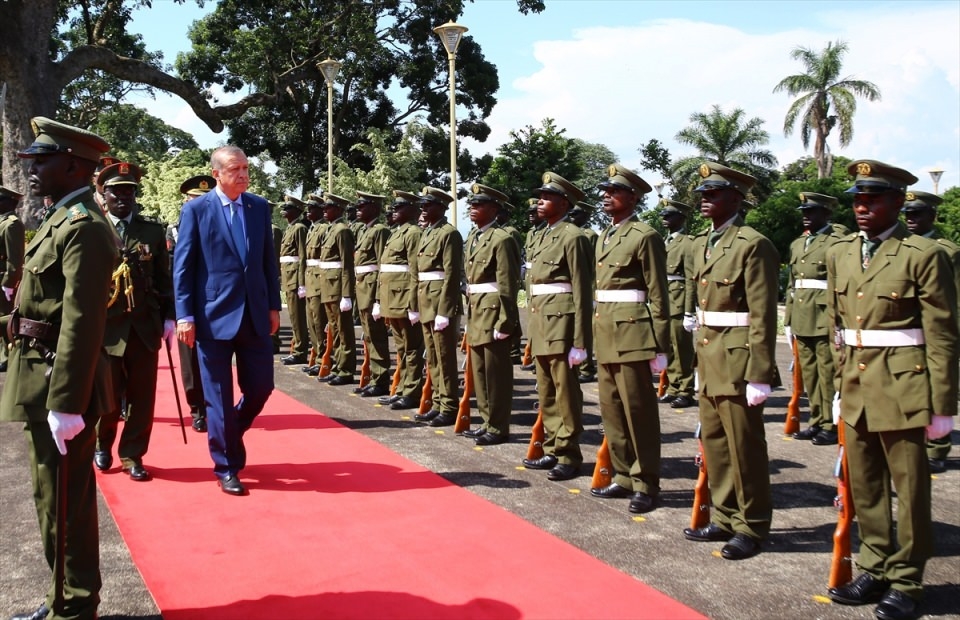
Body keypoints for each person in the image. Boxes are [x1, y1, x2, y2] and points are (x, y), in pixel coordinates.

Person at [825, 161, 958, 619]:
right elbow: (835, 324)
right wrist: (840, 380)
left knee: (911, 488)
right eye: (858, 199)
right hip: (858, 384)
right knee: (866, 485)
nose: (862, 207)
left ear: (899, 202)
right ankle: (875, 565)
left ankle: (907, 580)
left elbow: (942, 333)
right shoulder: (842, 252)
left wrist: (943, 404)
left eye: (873, 198)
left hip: (904, 385)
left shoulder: (922, 254)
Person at [2, 117, 116, 620]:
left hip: (56, 381)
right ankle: (60, 599)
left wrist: (68, 401)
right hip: (36, 373)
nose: (31, 168)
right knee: (50, 500)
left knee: (65, 503)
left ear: (72, 165)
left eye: (41, 160)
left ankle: (74, 606)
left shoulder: (85, 228)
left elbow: (81, 320)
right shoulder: (56, 218)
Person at [681, 162, 778, 561]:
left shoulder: (752, 244)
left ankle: (751, 526)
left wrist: (760, 372)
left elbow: (762, 314)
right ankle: (723, 514)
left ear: (736, 199)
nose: (704, 199)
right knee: (716, 442)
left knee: (744, 447)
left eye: (713, 193)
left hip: (737, 359)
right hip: (710, 352)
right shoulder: (707, 242)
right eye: (703, 194)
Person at [173, 145, 281, 497]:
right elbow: (184, 267)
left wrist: (273, 307)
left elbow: (268, 262)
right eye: (236, 169)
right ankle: (227, 466)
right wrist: (184, 315)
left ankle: (230, 430)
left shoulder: (259, 207)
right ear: (217, 173)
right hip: (211, 317)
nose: (244, 175)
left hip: (254, 314)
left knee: (261, 387)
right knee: (217, 397)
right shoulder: (196, 210)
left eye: (247, 168)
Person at [588, 164, 670, 513]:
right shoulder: (604, 236)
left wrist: (661, 345)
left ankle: (646, 482)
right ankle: (623, 474)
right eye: (605, 191)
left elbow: (658, 294)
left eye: (614, 191)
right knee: (612, 410)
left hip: (634, 334)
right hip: (606, 332)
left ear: (633, 198)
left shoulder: (644, 236)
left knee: (639, 413)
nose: (606, 196)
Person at [94, 162, 174, 482]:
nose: (124, 198)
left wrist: (169, 317)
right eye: (117, 192)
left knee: (143, 396)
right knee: (108, 395)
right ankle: (103, 443)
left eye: (129, 191)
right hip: (107, 326)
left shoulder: (152, 232)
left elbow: (164, 279)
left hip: (143, 325)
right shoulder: (94, 229)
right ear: (104, 194)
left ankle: (132, 454)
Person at [521, 172, 592, 481]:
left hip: (562, 323)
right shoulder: (541, 235)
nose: (541, 201)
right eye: (540, 196)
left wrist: (581, 340)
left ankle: (569, 453)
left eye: (547, 197)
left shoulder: (572, 236)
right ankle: (552, 446)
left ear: (564, 203)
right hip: (540, 320)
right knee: (547, 390)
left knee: (565, 391)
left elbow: (582, 288)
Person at [900, 190, 960, 474]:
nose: (911, 219)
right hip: (906, 332)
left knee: (936, 386)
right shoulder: (899, 247)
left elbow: (954, 299)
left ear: (932, 216)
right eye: (908, 214)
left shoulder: (948, 251)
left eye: (918, 214)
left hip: (934, 331)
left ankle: (937, 448)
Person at [784, 192, 848, 446]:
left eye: (811, 212)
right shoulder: (798, 243)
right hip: (801, 312)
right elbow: (792, 283)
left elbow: (841, 281)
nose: (806, 217)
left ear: (827, 213)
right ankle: (816, 419)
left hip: (823, 313)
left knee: (827, 371)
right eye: (804, 212)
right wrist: (789, 318)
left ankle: (831, 424)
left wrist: (839, 319)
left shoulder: (837, 241)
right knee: (809, 372)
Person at [460, 183, 521, 445]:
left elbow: (508, 283)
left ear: (494, 209)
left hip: (494, 310)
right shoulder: (474, 237)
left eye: (479, 204)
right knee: (480, 371)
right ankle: (486, 421)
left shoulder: (502, 239)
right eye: (472, 204)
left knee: (496, 374)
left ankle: (498, 426)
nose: (473, 209)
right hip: (476, 308)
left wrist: (506, 320)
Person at [412, 186, 463, 427]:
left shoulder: (448, 234)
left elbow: (452, 275)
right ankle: (437, 402)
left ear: (441, 207)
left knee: (445, 358)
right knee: (431, 357)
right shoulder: (427, 233)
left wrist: (445, 310)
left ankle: (450, 406)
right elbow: (418, 273)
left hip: (440, 304)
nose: (423, 207)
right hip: (426, 301)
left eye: (428, 204)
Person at [169, 175, 216, 432]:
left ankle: (215, 406)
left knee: (214, 358)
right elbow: (171, 269)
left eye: (203, 199)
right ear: (186, 201)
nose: (198, 204)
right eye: (193, 199)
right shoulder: (173, 231)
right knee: (189, 360)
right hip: (186, 303)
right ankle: (197, 408)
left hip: (213, 302)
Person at [377, 190, 426, 410]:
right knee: (401, 347)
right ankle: (402, 387)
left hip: (405, 298)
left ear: (414, 210)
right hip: (392, 298)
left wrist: (414, 304)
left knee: (413, 347)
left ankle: (412, 391)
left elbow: (415, 271)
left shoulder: (413, 233)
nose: (394, 210)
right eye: (394, 207)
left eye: (400, 207)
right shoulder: (396, 232)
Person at [657, 198, 696, 409]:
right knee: (669, 347)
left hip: (679, 301)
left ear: (680, 218)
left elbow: (690, 279)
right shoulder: (665, 241)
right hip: (665, 299)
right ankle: (673, 387)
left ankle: (686, 390)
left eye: (669, 215)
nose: (664, 218)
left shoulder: (687, 243)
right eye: (664, 215)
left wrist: (690, 311)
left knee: (682, 349)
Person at [353, 191, 392, 397]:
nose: (358, 209)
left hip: (371, 290)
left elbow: (381, 266)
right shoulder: (364, 231)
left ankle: (381, 380)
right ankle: (375, 378)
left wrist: (378, 298)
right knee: (368, 336)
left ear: (374, 208)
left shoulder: (380, 231)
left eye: (363, 205)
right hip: (362, 288)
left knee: (376, 337)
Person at [316, 193, 357, 386]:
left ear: (338, 209)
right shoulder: (331, 230)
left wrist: (347, 295)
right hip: (328, 287)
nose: (324, 210)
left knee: (343, 330)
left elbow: (347, 265)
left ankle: (346, 369)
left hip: (338, 288)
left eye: (328, 207)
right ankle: (338, 366)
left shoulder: (341, 231)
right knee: (334, 329)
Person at [278, 195, 311, 366]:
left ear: (297, 211)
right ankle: (298, 348)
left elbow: (302, 257)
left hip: (295, 279)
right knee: (293, 316)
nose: (284, 210)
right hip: (288, 276)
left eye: (288, 207)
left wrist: (302, 283)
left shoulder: (299, 228)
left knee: (298, 317)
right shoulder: (290, 228)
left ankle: (300, 351)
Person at [569, 200, 598, 383]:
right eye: (571, 214)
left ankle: (587, 367)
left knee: (584, 329)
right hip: (570, 287)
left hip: (586, 285)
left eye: (577, 214)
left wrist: (593, 293)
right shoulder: (569, 234)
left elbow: (594, 267)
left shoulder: (590, 235)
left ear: (586, 216)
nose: (572, 217)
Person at [302, 194, 329, 376]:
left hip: (320, 280)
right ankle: (318, 355)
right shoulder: (312, 229)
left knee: (320, 321)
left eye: (312, 208)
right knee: (311, 321)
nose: (308, 212)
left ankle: (325, 359)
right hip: (310, 278)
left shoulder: (324, 229)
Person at [0, 185, 25, 373]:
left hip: (4, 279)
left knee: (4, 318)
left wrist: (9, 283)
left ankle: (8, 356)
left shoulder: (12, 224)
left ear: (10, 202)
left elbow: (14, 258)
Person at [519, 198, 545, 372]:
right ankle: (535, 356)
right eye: (529, 212)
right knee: (532, 321)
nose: (530, 215)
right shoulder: (531, 233)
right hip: (531, 282)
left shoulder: (546, 233)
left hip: (544, 282)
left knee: (544, 322)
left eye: (534, 212)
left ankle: (541, 358)